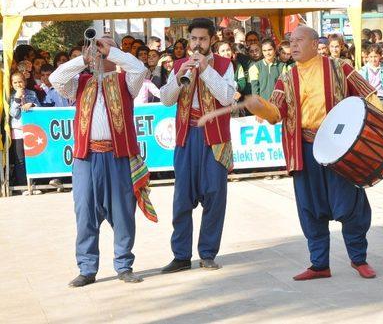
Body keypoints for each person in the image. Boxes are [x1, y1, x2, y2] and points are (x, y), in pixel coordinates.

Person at [244, 26, 383, 280]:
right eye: (290, 41)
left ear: (313, 43)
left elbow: (368, 93)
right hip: (305, 148)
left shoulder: (338, 67)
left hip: (339, 147)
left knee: (350, 204)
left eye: (299, 40)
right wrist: (260, 108)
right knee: (310, 208)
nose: (293, 45)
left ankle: (359, 259)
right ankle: (319, 264)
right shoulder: (286, 78)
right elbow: (276, 113)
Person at [49, 36, 153, 287]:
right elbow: (56, 79)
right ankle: (87, 268)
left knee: (123, 213)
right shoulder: (80, 82)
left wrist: (112, 53)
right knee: (84, 211)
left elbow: (139, 68)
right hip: (86, 157)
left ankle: (124, 264)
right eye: (96, 46)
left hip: (118, 157)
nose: (99, 50)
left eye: (105, 46)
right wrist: (82, 59)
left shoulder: (126, 80)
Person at [159, 18, 236, 274]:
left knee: (215, 195)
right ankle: (180, 255)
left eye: (202, 39)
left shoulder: (224, 65)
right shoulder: (180, 65)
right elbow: (166, 100)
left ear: (212, 40)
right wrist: (179, 75)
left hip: (214, 138)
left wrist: (205, 70)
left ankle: (208, 253)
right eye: (193, 39)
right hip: (186, 136)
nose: (197, 44)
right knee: (182, 198)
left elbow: (226, 97)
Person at [9, 72, 41, 187]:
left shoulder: (31, 93)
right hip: (17, 130)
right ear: (12, 84)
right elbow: (13, 113)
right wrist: (17, 99)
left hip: (31, 129)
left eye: (20, 81)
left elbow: (39, 107)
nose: (18, 84)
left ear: (25, 82)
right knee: (20, 159)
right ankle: (23, 185)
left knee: (32, 156)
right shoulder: (11, 96)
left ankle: (34, 184)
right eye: (15, 82)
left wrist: (31, 104)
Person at [359, 44, 383, 110]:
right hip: (369, 100)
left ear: (380, 56)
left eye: (375, 56)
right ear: (367, 57)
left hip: (382, 99)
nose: (373, 59)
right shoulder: (362, 70)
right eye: (371, 57)